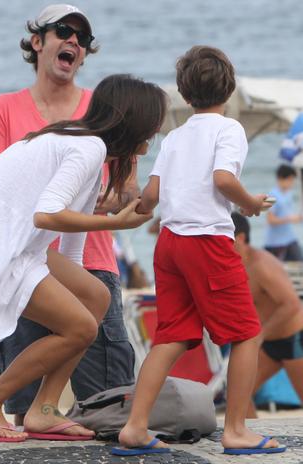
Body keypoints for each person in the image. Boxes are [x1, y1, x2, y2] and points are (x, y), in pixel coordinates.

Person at [0, 74, 167, 442]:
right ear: (135, 126)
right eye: (152, 128)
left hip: (4, 234)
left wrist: (79, 295)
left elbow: (71, 243)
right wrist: (116, 222)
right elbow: (47, 215)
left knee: (95, 298)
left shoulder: (81, 141)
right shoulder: (89, 149)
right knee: (80, 327)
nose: (153, 137)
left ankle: (44, 409)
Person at [0, 4, 140, 432]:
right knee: (19, 404)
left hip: (93, 264)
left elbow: (127, 189)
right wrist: (61, 197)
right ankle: (24, 413)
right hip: (22, 264)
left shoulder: (103, 111)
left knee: (109, 396)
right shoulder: (3, 108)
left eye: (82, 38)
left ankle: (48, 413)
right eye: (63, 30)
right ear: (37, 42)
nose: (74, 41)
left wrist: (98, 200)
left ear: (84, 55)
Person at [114, 45, 285, 457]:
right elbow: (224, 179)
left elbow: (151, 196)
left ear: (184, 94)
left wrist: (117, 209)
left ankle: (136, 427)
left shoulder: (174, 137)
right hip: (206, 241)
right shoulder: (229, 131)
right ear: (228, 87)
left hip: (169, 244)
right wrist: (247, 203)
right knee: (246, 334)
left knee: (171, 337)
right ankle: (238, 430)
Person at [232, 211, 303, 418]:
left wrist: (260, 334)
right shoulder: (236, 264)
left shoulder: (262, 265)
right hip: (268, 344)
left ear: (241, 238)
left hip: (294, 340)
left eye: (225, 239)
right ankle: (252, 436)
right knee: (238, 395)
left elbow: (291, 305)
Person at [264, 164, 303, 261]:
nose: (292, 183)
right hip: (275, 243)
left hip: (289, 238)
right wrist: (289, 218)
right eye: (290, 180)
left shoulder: (289, 193)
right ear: (281, 178)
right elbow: (270, 220)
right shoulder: (271, 196)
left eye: (293, 180)